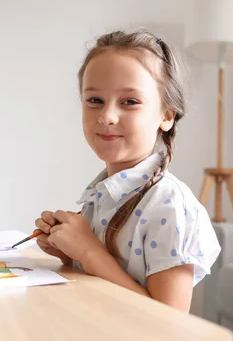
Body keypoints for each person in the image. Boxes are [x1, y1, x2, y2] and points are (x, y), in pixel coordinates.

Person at [34, 29, 221, 312]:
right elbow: (107, 280)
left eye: (130, 102)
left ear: (167, 115)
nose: (106, 116)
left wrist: (88, 250)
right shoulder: (101, 196)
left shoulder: (170, 206)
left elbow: (168, 322)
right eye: (94, 100)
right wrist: (69, 254)